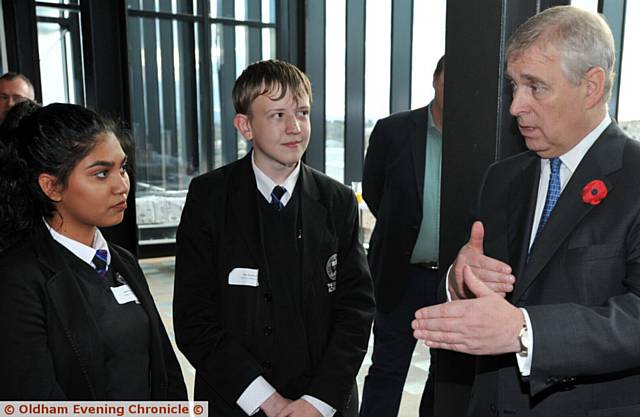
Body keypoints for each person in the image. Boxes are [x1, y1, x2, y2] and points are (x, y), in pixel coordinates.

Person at [412, 6, 640, 416]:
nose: (516, 106)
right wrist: (461, 280)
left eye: (535, 87)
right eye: (514, 86)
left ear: (591, 87)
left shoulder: (635, 178)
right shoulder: (502, 178)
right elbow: (487, 291)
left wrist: (524, 332)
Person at [173, 59, 375, 417]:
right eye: (277, 115)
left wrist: (317, 402)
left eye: (302, 112)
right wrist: (265, 400)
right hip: (236, 400)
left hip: (323, 402)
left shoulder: (338, 200)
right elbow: (193, 318)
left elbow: (355, 312)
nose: (295, 127)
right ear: (245, 126)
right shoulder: (209, 197)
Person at [0, 102, 187, 400]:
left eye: (122, 168)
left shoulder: (122, 260)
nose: (121, 185)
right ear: (52, 186)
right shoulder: (19, 278)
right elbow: (34, 397)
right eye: (101, 174)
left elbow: (164, 366)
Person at [359, 56, 445, 417]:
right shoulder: (393, 130)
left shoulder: (480, 134)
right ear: (435, 80)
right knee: (387, 368)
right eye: (449, 80)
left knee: (445, 375)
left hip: (454, 281)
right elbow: (374, 191)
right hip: (400, 273)